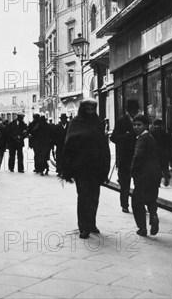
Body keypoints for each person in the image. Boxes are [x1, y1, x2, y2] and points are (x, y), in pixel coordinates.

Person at [60, 98, 110, 239]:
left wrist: (105, 164)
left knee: (94, 197)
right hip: (80, 166)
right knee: (83, 196)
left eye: (92, 109)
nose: (90, 112)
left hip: (96, 166)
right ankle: (83, 226)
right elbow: (68, 144)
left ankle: (92, 223)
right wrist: (67, 167)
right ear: (83, 109)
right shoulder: (75, 123)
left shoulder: (99, 122)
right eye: (87, 109)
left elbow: (103, 144)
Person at [131, 114, 162, 237]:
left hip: (143, 175)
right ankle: (153, 215)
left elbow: (138, 156)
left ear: (146, 126)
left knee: (137, 202)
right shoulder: (151, 137)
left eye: (139, 125)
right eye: (134, 124)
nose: (136, 127)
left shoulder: (142, 139)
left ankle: (142, 228)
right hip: (154, 174)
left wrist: (133, 170)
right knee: (151, 198)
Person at [110, 98, 138, 213]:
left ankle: (139, 204)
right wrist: (125, 137)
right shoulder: (121, 121)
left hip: (137, 157)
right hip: (125, 158)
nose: (134, 112)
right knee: (125, 184)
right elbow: (113, 137)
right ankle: (125, 205)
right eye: (132, 110)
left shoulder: (140, 120)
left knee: (139, 184)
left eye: (135, 110)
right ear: (128, 110)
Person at [150, 119, 172, 186]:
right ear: (161, 125)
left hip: (155, 153)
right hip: (164, 152)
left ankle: (158, 182)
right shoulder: (164, 133)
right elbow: (169, 143)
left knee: (157, 167)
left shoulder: (151, 133)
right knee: (165, 166)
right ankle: (166, 177)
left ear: (154, 124)